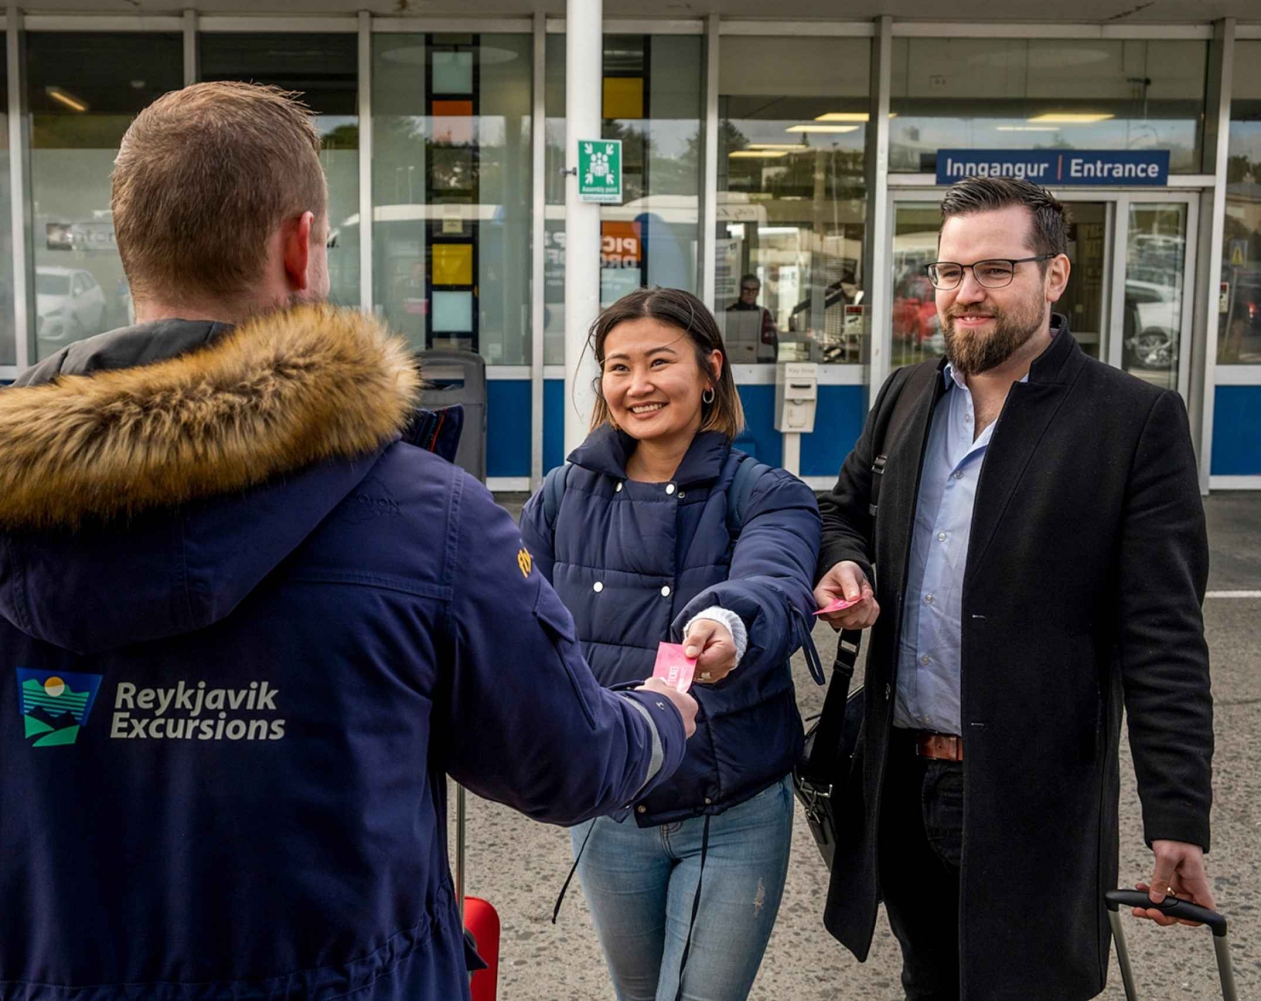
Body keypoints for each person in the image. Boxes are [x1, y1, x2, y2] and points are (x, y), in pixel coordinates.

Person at [0, 82, 699, 1001]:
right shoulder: (431, 518)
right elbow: (567, 760)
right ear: (301, 248)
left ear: (129, 251)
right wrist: (663, 710)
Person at [813, 176, 1215, 1001]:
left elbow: (1164, 635)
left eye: (996, 270)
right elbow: (840, 511)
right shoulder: (909, 394)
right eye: (950, 271)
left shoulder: (1132, 421)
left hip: (1030, 798)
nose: (966, 293)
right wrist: (843, 562)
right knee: (929, 982)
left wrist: (1176, 814)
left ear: (1055, 276)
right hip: (902, 784)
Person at [521, 287, 823, 1001]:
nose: (638, 385)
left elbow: (777, 582)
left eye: (660, 362)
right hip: (612, 803)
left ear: (710, 369)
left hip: (734, 807)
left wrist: (730, 624)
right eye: (618, 367)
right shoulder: (563, 492)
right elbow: (506, 612)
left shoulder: (765, 491)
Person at [725, 273, 778, 347]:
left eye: (754, 290)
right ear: (740, 290)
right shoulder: (729, 313)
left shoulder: (764, 314)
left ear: (758, 292)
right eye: (746, 289)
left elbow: (771, 343)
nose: (750, 293)